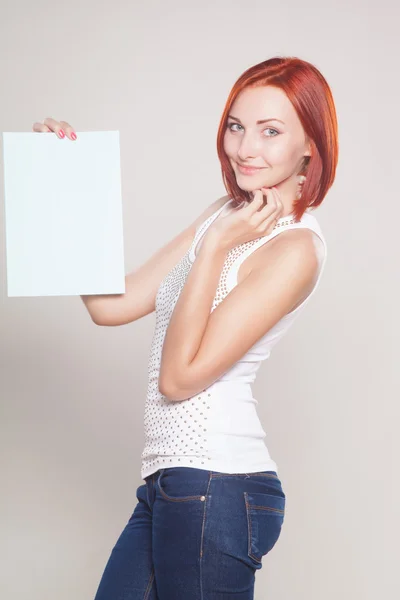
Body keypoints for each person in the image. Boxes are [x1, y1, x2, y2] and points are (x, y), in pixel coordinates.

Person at [33, 55, 338, 599]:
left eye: (271, 132)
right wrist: (65, 185)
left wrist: (217, 247)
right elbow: (113, 304)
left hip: (218, 486)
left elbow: (179, 379)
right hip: (170, 483)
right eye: (236, 126)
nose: (246, 148)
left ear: (310, 145)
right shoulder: (224, 212)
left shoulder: (295, 249)